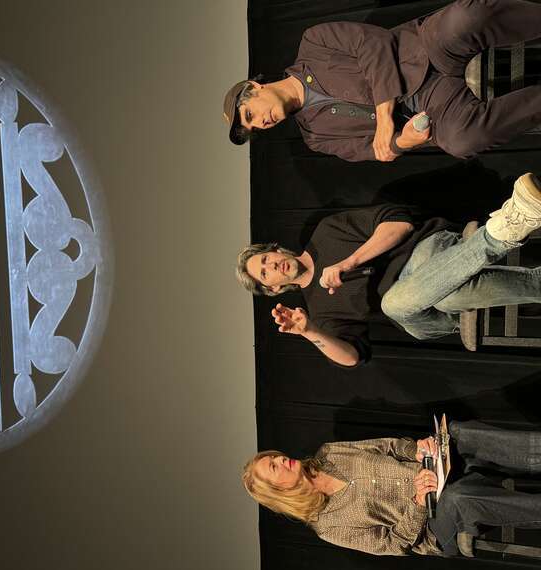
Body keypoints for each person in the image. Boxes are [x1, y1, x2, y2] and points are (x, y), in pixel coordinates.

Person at [234, 173, 541, 367]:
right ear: (273, 288)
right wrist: (309, 331)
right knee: (397, 305)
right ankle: (503, 230)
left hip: (426, 251)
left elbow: (400, 222)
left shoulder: (327, 232)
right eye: (265, 273)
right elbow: (353, 357)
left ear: (275, 249)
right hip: (423, 319)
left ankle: (506, 244)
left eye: (266, 258)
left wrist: (349, 261)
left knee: (443, 298)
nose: (272, 264)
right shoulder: (317, 311)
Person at [222, 0, 541, 162]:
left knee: (466, 19)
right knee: (462, 140)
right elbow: (373, 149)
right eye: (254, 129)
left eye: (250, 115)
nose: (261, 123)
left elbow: (372, 42)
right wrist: (404, 142)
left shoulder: (313, 43)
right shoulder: (315, 137)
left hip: (422, 50)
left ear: (255, 87)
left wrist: (384, 115)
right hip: (428, 104)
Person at [242, 421, 541, 557]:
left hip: (433, 471)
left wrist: (416, 450)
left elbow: (387, 447)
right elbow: (394, 545)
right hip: (433, 527)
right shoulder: (328, 525)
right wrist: (417, 502)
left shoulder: (329, 453)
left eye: (274, 457)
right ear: (278, 491)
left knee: (456, 434)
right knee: (457, 498)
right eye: (273, 467)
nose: (281, 459)